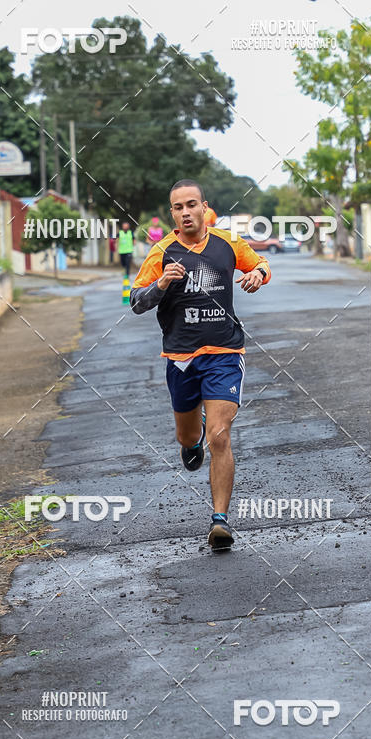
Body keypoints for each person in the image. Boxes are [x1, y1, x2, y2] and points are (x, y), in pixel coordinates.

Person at [130, 179, 271, 550]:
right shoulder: (161, 251)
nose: (186, 212)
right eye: (178, 207)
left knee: (220, 437)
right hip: (181, 359)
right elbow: (135, 300)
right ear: (172, 213)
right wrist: (160, 285)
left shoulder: (227, 243)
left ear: (203, 206)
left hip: (224, 351)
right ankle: (196, 431)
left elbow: (260, 264)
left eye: (191, 204)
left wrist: (258, 273)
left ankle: (219, 521)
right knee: (190, 440)